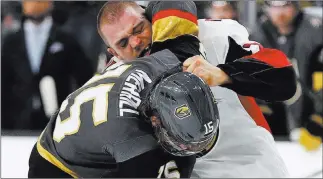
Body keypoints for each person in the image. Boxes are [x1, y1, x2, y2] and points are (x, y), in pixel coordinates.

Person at [97, 1, 296, 177]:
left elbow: (284, 80)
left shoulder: (213, 36)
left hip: (251, 166)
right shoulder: (114, 85)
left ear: (150, 19)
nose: (135, 42)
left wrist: (223, 74)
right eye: (123, 42)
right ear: (114, 53)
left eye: (139, 29)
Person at [28, 50, 220, 178]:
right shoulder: (132, 140)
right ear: (155, 121)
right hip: (57, 167)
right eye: (183, 143)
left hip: (98, 122)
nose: (194, 149)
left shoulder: (171, 60)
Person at [1, 0, 94, 130]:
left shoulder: (66, 40)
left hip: (57, 121)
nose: (35, 4)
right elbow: (4, 84)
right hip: (17, 122)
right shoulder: (11, 42)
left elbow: (85, 79)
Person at [250, 1, 322, 137]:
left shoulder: (315, 31)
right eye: (275, 7)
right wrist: (261, 110)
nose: (280, 13)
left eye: (285, 6)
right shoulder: (259, 32)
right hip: (277, 116)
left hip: (311, 115)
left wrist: (319, 117)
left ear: (296, 7)